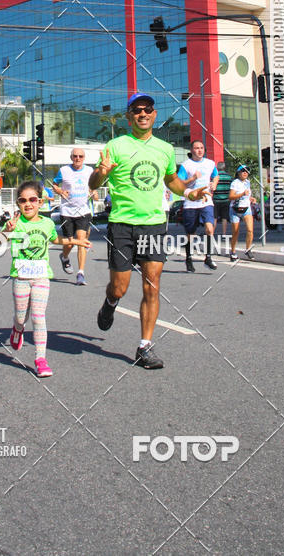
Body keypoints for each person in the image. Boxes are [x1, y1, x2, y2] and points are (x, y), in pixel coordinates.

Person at [89, 93, 208, 370]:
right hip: (121, 223)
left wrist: (189, 193)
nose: (143, 114)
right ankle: (110, 302)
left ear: (154, 115)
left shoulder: (165, 149)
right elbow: (94, 183)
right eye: (137, 110)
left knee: (152, 285)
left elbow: (171, 181)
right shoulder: (115, 146)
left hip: (154, 224)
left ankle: (145, 347)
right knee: (120, 287)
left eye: (148, 109)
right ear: (129, 116)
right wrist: (101, 173)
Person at [3, 180, 90, 378]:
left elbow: (55, 239)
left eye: (33, 199)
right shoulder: (14, 224)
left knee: (38, 316)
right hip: (21, 277)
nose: (28, 204)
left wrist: (76, 240)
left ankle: (40, 359)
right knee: (20, 316)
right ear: (18, 203)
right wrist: (8, 230)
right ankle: (17, 330)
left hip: (41, 276)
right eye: (23, 200)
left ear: (40, 202)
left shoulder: (47, 223)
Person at [52, 148, 95, 285]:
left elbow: (93, 185)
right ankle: (64, 257)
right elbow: (54, 184)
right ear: (71, 157)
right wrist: (59, 190)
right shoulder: (64, 170)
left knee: (81, 240)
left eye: (80, 156)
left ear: (84, 158)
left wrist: (93, 192)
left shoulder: (89, 171)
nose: (78, 158)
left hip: (83, 211)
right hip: (67, 212)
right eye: (75, 156)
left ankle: (80, 273)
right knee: (70, 242)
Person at [178, 140, 219, 272]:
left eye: (202, 148)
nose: (200, 150)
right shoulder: (186, 165)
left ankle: (208, 257)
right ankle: (189, 258)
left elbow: (216, 176)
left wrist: (214, 184)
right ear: (192, 150)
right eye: (197, 148)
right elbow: (180, 183)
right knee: (191, 234)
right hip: (191, 203)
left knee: (209, 229)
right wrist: (193, 178)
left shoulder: (210, 163)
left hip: (206, 202)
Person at [228, 165, 257, 261]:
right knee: (235, 232)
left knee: (250, 230)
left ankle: (248, 249)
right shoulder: (235, 183)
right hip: (235, 210)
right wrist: (242, 194)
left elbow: (246, 196)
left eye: (247, 171)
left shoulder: (247, 183)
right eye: (243, 171)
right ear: (238, 173)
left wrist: (251, 199)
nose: (245, 173)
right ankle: (232, 252)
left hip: (246, 209)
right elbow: (231, 197)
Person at [213, 161, 233, 237]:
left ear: (217, 168)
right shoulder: (229, 177)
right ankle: (224, 234)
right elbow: (232, 188)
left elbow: (213, 188)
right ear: (224, 167)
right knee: (224, 218)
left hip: (216, 200)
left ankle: (211, 233)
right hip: (226, 200)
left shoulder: (215, 177)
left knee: (214, 217)